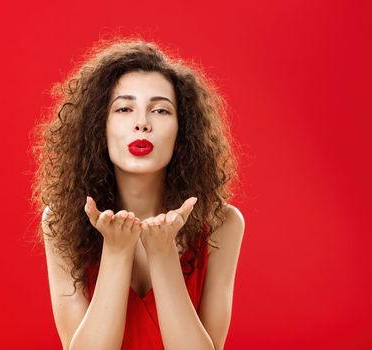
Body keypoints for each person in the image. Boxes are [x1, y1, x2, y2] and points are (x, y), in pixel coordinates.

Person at [31, 38, 245, 350]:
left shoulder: (223, 223)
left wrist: (162, 253)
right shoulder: (62, 220)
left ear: (182, 130)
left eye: (160, 110)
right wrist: (117, 252)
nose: (142, 123)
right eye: (124, 108)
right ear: (98, 127)